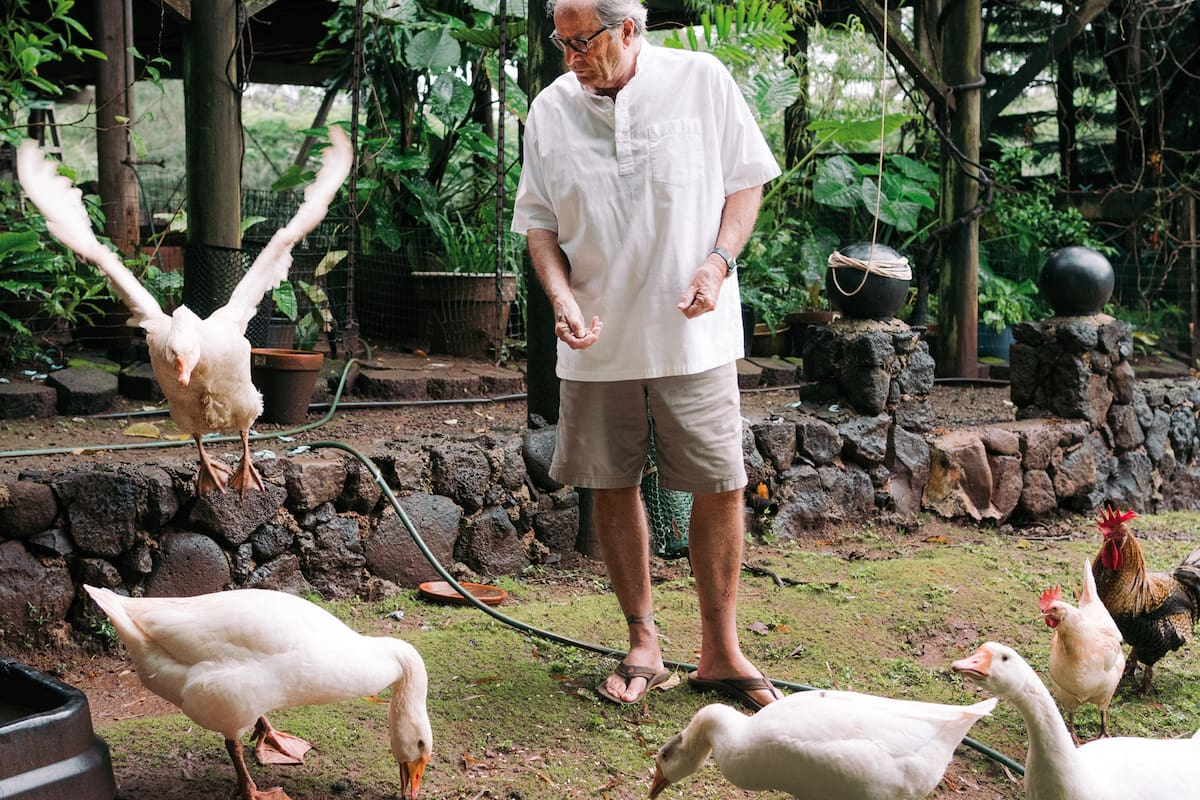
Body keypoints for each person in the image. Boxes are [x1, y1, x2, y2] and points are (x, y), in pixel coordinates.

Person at [511, 0, 783, 710]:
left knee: (720, 482)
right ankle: (643, 642)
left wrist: (718, 264)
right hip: (596, 338)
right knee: (611, 482)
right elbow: (539, 224)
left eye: (583, 41)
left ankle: (721, 651)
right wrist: (561, 300)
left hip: (694, 332)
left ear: (629, 29)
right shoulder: (550, 109)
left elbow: (745, 183)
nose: (571, 57)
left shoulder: (701, 79)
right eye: (562, 42)